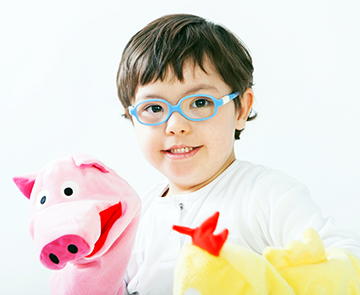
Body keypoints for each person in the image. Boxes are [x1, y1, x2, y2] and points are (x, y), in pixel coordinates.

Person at [116, 14, 360, 294]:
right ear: (131, 117)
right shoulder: (135, 216)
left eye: (199, 102)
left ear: (241, 109)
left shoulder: (265, 194)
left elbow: (345, 258)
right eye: (155, 108)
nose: (176, 126)